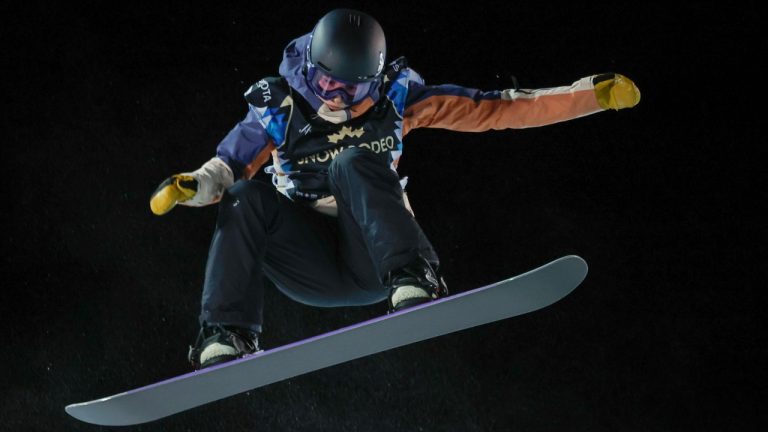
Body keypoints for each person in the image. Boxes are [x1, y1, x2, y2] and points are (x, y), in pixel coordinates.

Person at [150, 8, 640, 370]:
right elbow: (228, 166)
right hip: (306, 264)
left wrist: (588, 97)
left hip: (372, 256)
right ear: (309, 69)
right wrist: (194, 185)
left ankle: (414, 276)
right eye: (324, 84)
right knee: (244, 198)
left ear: (375, 82)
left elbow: (497, 109)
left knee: (353, 160)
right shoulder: (280, 108)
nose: (335, 98)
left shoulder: (400, 98)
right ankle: (225, 333)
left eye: (350, 89)